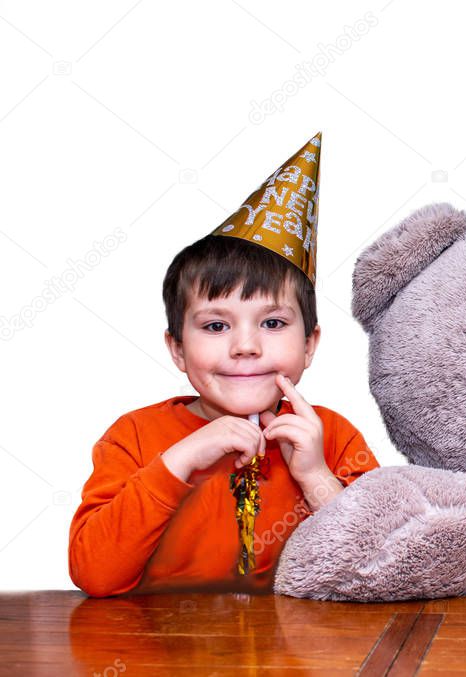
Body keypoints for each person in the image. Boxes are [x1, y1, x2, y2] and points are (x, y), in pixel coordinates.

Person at [69, 134, 379, 596]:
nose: (245, 346)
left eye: (272, 322)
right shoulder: (133, 438)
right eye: (216, 327)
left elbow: (381, 566)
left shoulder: (331, 437)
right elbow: (95, 574)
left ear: (310, 344)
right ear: (177, 349)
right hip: (159, 659)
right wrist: (180, 460)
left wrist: (315, 476)